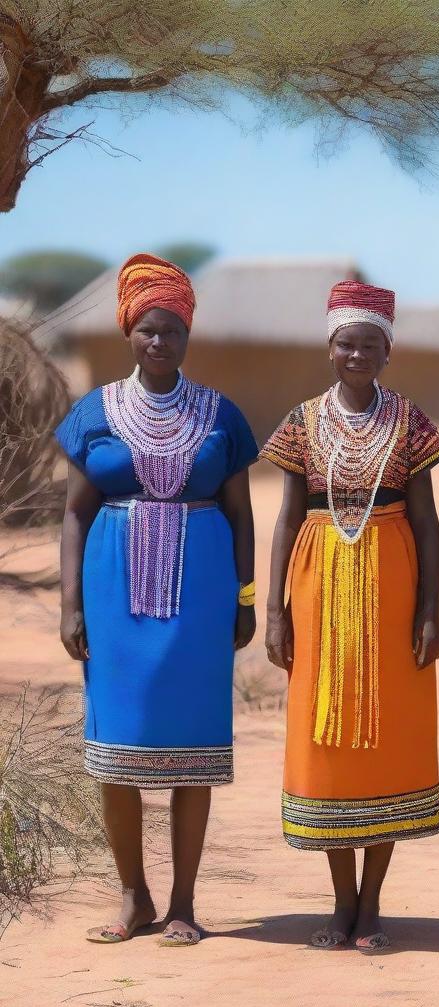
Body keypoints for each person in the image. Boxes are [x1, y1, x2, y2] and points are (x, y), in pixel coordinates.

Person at [56, 253, 258, 947]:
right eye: (147, 329)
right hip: (114, 599)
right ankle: (132, 895)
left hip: (199, 600)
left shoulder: (219, 414)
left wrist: (246, 596)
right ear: (128, 333)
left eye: (171, 330)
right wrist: (70, 605)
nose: (159, 342)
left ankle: (183, 904)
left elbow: (240, 511)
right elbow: (77, 512)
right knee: (119, 744)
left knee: (191, 746)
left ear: (187, 335)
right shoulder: (96, 411)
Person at [262, 280, 439, 954]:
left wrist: (428, 607)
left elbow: (426, 521)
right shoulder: (301, 421)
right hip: (318, 589)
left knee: (387, 738)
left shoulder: (409, 420)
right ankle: (341, 899)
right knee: (327, 740)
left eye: (371, 343)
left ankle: (373, 904)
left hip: (393, 587)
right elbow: (286, 517)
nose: (357, 353)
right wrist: (277, 611)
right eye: (347, 342)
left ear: (387, 351)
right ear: (330, 348)